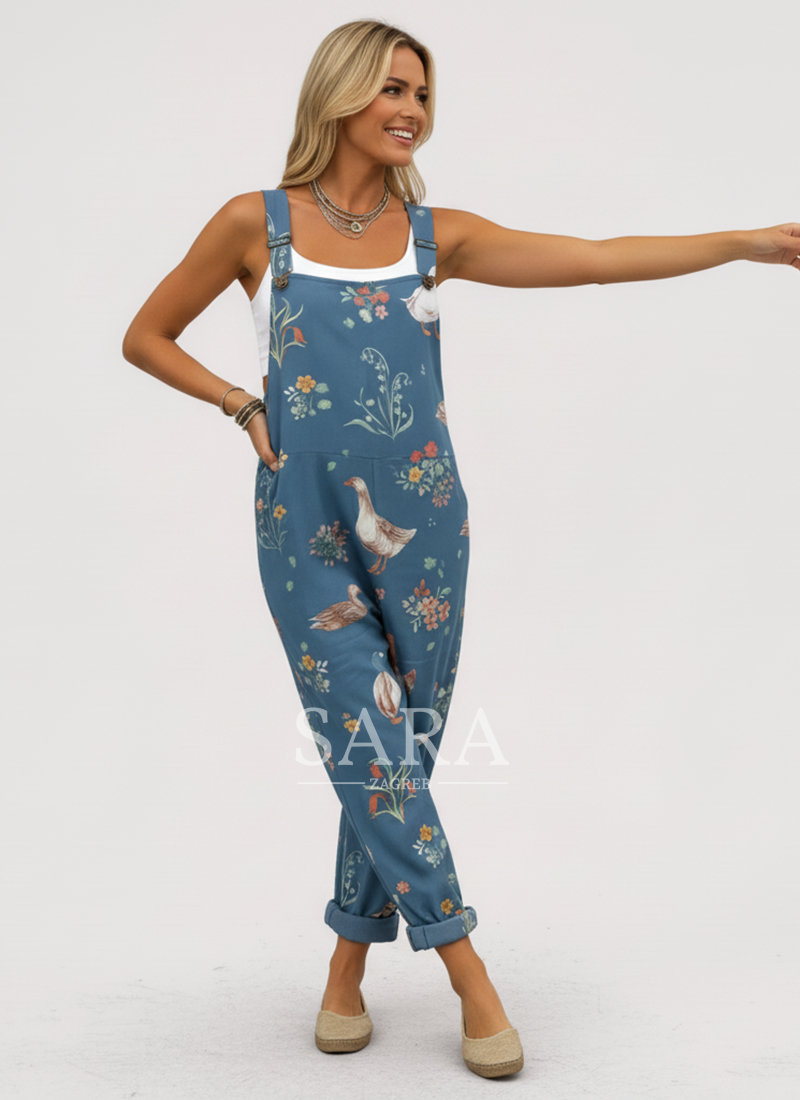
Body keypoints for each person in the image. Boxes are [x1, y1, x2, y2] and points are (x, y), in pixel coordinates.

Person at [122, 18, 800, 1080]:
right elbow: (145, 335)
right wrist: (239, 404)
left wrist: (747, 242)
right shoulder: (258, 225)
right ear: (340, 93)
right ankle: (466, 968)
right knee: (369, 737)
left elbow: (595, 261)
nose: (412, 110)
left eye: (423, 95)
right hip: (301, 526)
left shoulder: (436, 237)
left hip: (429, 523)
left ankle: (347, 962)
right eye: (392, 88)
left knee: (398, 746)